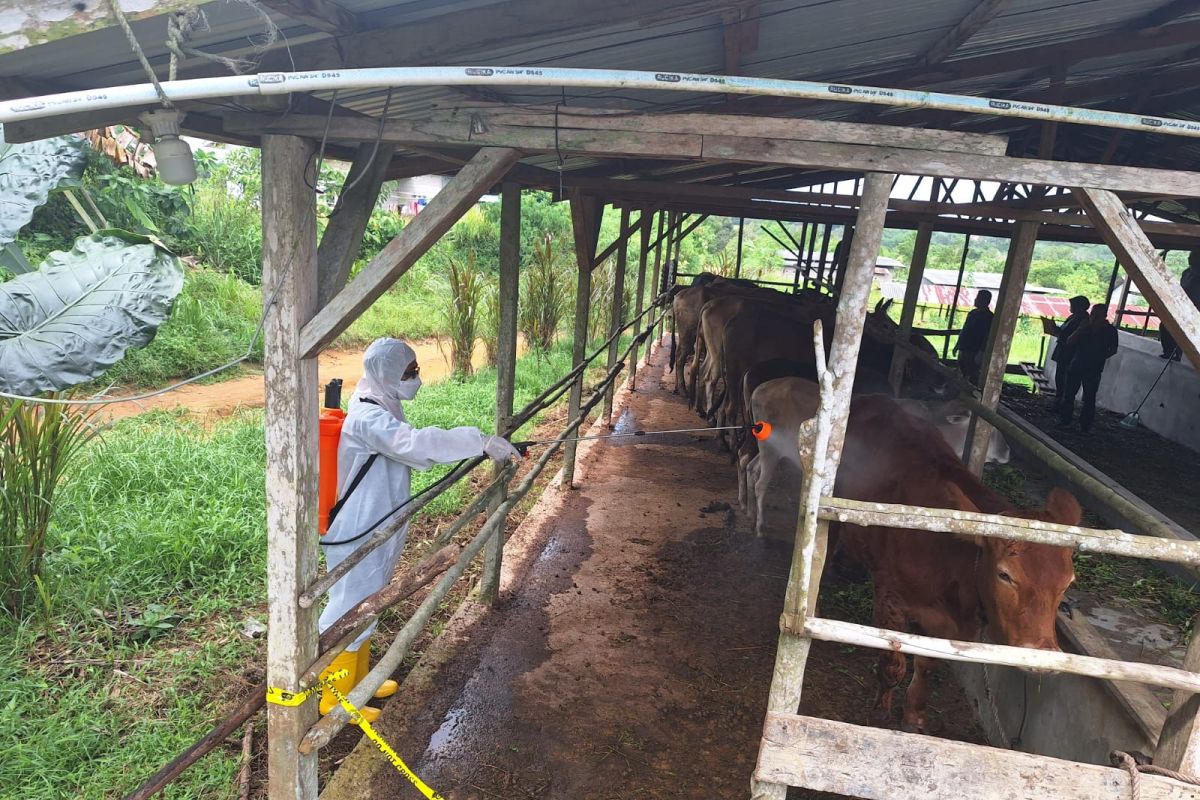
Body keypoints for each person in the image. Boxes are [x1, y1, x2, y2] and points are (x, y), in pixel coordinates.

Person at [317, 338, 520, 722]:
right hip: (357, 530)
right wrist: (479, 441)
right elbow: (413, 444)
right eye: (409, 374)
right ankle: (335, 698)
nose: (416, 379)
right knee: (349, 606)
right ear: (386, 374)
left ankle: (361, 684)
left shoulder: (381, 404)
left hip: (379, 525)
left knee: (369, 602)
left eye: (415, 371)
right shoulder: (367, 418)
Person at [1057, 305, 1120, 433]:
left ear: (1104, 316)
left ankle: (1085, 425)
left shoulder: (1110, 331)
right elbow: (1069, 342)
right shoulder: (1084, 327)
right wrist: (1080, 329)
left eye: (1098, 315)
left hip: (1093, 368)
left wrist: (1100, 357)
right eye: (1093, 314)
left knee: (1089, 398)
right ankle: (1064, 420)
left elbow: (1113, 349)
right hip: (1077, 364)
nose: (1094, 317)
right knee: (1069, 394)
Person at [1043, 294, 1090, 415]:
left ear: (1079, 307)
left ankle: (1061, 407)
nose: (1071, 307)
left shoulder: (1082, 320)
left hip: (1069, 354)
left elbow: (1069, 336)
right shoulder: (1074, 317)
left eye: (1073, 305)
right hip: (1065, 352)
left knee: (1064, 381)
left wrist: (1057, 330)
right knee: (1060, 380)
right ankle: (1058, 405)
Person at [1158, 250, 1200, 360]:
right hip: (1182, 305)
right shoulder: (1186, 273)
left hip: (1196, 307)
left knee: (1186, 331)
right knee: (1165, 326)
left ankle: (1179, 352)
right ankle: (1169, 351)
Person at [954, 289, 993, 385]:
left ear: (985, 301)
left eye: (978, 298)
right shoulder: (972, 313)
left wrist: (981, 351)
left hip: (974, 350)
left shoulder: (989, 317)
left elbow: (987, 336)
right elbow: (964, 330)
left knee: (972, 371)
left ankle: (972, 392)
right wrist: (957, 345)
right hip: (964, 347)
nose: (975, 300)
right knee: (961, 368)